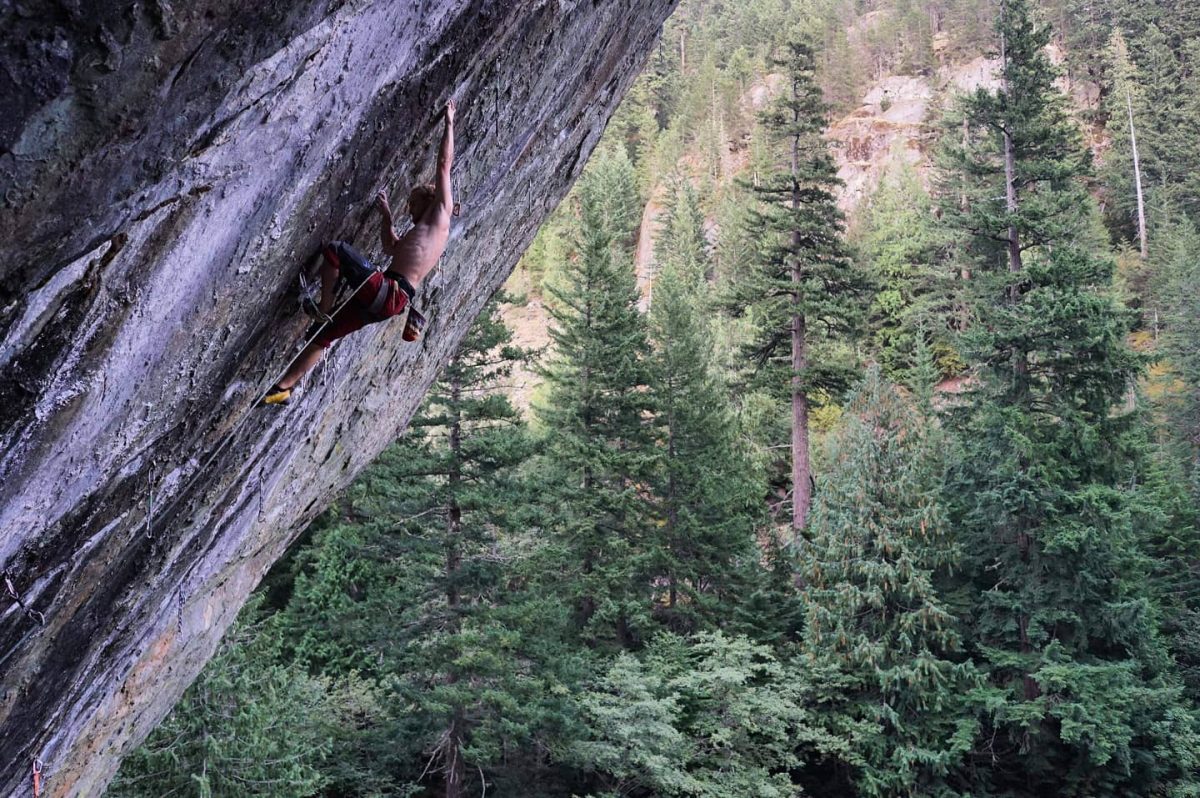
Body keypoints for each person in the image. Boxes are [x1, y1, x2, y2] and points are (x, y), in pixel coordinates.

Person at [263, 99, 456, 405]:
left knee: (336, 251)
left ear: (426, 201)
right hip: (387, 301)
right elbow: (390, 248)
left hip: (389, 291)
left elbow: (444, 165)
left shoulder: (440, 215)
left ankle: (325, 307)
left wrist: (449, 122)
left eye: (412, 204)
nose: (410, 209)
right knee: (322, 337)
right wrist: (386, 217)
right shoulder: (419, 233)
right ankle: (283, 388)